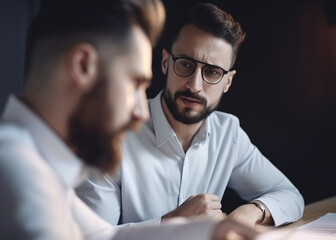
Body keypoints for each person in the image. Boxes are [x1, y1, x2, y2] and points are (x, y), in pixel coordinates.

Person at [0, 0, 262, 239]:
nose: (141, 110)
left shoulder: (29, 161)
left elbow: (107, 236)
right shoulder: (13, 170)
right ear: (83, 66)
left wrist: (209, 230)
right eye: (134, 83)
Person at [76, 2, 305, 228]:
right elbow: (92, 236)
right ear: (166, 62)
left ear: (227, 82)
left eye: (212, 72)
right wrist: (172, 223)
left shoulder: (229, 135)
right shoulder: (112, 135)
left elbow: (290, 196)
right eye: (186, 64)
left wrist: (250, 212)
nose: (195, 85)